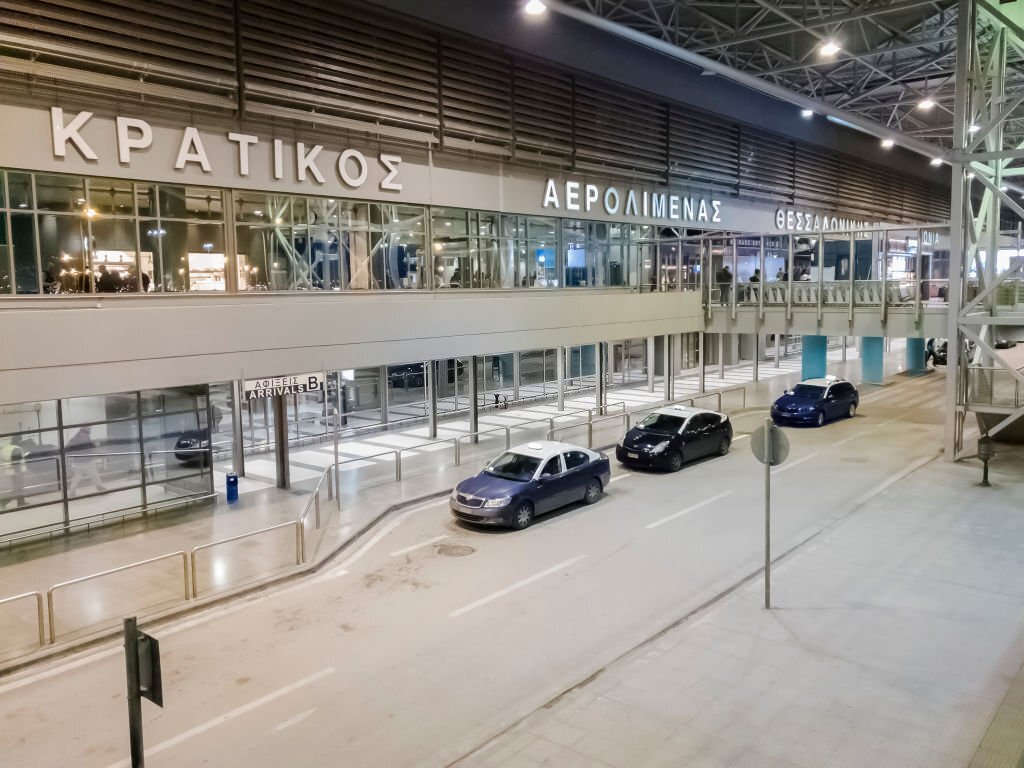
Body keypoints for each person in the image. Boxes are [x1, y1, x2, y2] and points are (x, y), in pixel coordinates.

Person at [66, 426, 107, 495]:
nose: (90, 429)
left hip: (78, 461)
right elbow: (86, 447)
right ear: (85, 428)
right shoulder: (84, 436)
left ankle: (72, 491)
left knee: (77, 476)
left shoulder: (78, 435)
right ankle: (100, 488)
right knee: (94, 475)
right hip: (86, 460)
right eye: (89, 428)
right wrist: (95, 445)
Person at [0, 437, 27, 509]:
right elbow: (16, 462)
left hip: (9, 471)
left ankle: (21, 502)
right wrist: (17, 472)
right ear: (18, 441)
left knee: (18, 487)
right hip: (17, 471)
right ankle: (3, 501)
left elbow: (3, 458)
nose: (21, 442)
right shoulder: (16, 448)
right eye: (21, 441)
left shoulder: (6, 448)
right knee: (18, 487)